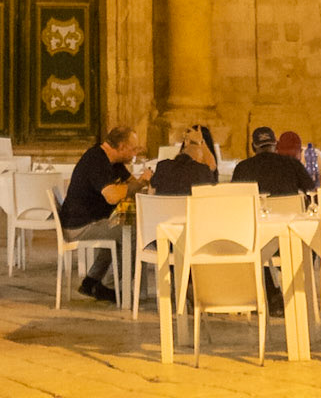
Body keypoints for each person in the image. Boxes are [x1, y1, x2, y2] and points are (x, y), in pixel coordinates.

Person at [59, 126, 148, 301]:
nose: (135, 153)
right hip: (79, 225)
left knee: (121, 227)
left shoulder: (115, 162)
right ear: (121, 146)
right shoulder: (96, 160)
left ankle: (91, 281)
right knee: (132, 233)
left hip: (94, 221)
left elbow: (131, 184)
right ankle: (110, 287)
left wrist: (140, 183)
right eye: (133, 148)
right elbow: (113, 196)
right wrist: (140, 183)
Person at [231, 125, 317, 199]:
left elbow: (235, 199)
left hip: (255, 216)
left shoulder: (241, 168)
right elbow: (312, 193)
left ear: (253, 147)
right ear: (276, 144)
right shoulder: (293, 164)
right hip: (289, 215)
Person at [150, 124, 218, 196]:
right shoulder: (203, 172)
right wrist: (200, 142)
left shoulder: (162, 167)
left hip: (163, 207)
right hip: (192, 207)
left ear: (186, 142)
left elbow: (150, 195)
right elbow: (212, 165)